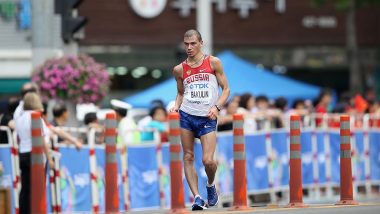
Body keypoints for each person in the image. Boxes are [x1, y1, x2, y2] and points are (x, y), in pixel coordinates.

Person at [169, 29, 230, 210]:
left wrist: (217, 107)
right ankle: (197, 197)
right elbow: (181, 93)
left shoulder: (213, 62)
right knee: (188, 156)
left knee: (207, 161)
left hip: (207, 116)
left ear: (201, 43)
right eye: (186, 44)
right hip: (187, 115)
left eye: (193, 43)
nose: (189, 47)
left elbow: (226, 89)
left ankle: (210, 185)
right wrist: (176, 105)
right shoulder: (179, 69)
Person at [15, 92, 54, 214]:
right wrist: (50, 158)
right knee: (38, 188)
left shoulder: (20, 118)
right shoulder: (36, 117)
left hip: (23, 153)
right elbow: (42, 140)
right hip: (35, 155)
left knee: (25, 189)